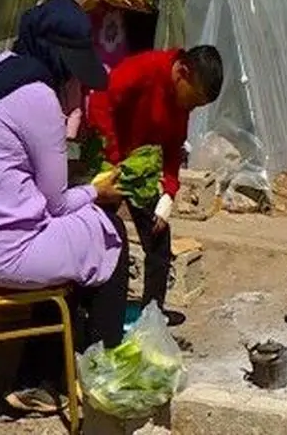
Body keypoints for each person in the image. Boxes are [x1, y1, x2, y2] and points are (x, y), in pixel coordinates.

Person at [0, 0, 128, 412]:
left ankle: (44, 371)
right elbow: (59, 203)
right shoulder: (38, 97)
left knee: (82, 240)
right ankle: (99, 374)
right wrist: (99, 191)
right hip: (3, 252)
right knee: (110, 235)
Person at [86, 45, 224, 311]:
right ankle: (89, 309)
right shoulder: (143, 69)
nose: (192, 109)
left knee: (159, 240)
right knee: (100, 233)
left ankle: (153, 314)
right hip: (110, 163)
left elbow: (173, 148)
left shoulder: (181, 103)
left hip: (142, 174)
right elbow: (102, 101)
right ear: (182, 72)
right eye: (194, 101)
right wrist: (112, 158)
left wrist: (168, 195)